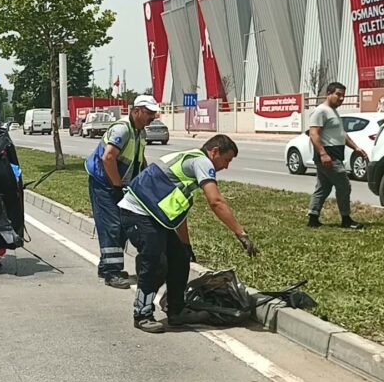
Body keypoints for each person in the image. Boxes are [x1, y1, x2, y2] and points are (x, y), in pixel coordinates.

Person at [118, 134, 260, 333]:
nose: (225, 167)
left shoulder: (188, 165)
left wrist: (185, 245)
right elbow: (216, 201)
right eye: (226, 160)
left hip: (155, 216)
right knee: (156, 263)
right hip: (138, 213)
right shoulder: (202, 161)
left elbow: (177, 212)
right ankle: (142, 313)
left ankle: (176, 311)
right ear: (215, 152)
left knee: (180, 258)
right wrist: (241, 234)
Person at [84, 95, 158, 288]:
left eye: (154, 113)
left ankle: (107, 266)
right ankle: (112, 273)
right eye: (149, 113)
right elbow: (108, 158)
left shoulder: (140, 131)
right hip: (104, 183)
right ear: (136, 111)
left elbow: (139, 159)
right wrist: (116, 187)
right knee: (113, 225)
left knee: (123, 224)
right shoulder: (122, 129)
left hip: (120, 184)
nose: (152, 117)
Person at [307, 82, 365, 230]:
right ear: (329, 93)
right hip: (329, 156)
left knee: (323, 187)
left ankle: (313, 218)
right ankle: (346, 219)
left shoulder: (334, 111)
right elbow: (314, 134)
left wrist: (356, 148)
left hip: (334, 155)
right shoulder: (321, 111)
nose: (341, 98)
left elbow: (342, 135)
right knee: (344, 186)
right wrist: (323, 154)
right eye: (338, 94)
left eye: (343, 96)